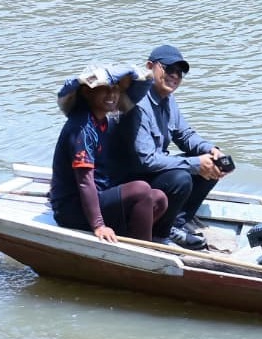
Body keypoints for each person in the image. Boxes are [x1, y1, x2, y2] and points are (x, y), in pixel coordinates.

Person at [113, 45, 227, 250]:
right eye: (169, 69)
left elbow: (185, 135)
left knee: (211, 166)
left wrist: (210, 150)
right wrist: (195, 164)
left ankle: (175, 224)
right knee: (181, 177)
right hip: (130, 180)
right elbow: (147, 160)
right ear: (150, 67)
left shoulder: (168, 99)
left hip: (151, 171)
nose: (175, 76)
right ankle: (160, 234)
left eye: (180, 73)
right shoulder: (138, 105)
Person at [49, 65, 168, 243]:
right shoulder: (82, 128)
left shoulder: (104, 122)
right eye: (104, 89)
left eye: (116, 89)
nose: (112, 95)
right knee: (141, 189)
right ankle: (143, 250)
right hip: (72, 209)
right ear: (87, 92)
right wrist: (98, 225)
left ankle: (136, 240)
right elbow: (84, 181)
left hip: (100, 196)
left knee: (158, 198)